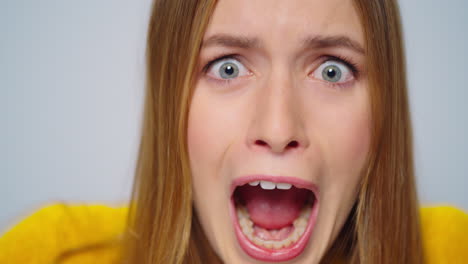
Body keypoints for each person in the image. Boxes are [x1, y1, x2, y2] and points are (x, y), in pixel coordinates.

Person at [1, 0, 467, 263]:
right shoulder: (46, 254)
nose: (278, 127)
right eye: (227, 67)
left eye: (331, 71)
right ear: (171, 102)